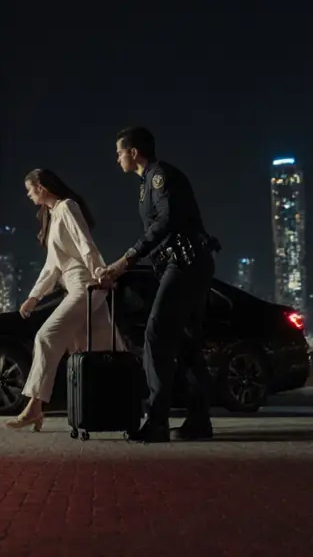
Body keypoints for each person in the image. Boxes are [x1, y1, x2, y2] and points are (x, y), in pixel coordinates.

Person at [96, 127, 217, 444]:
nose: (117, 158)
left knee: (156, 334)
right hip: (185, 264)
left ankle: (157, 421)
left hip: (185, 264)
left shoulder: (160, 176)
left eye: (119, 152)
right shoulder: (147, 183)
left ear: (133, 152)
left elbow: (165, 221)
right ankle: (199, 422)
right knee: (187, 343)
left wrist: (126, 260)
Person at [5, 169, 122, 432]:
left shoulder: (68, 206)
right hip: (77, 288)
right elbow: (52, 266)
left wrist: (99, 272)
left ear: (42, 187)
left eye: (29, 189)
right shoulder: (52, 215)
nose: (28, 195)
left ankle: (34, 407)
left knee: (46, 336)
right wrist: (34, 296)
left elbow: (84, 241)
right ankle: (119, 407)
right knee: (104, 350)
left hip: (86, 285)